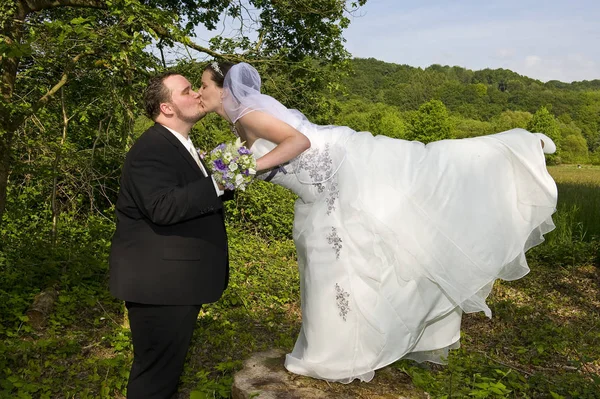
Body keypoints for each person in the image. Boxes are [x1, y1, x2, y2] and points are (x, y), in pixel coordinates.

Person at [200, 61, 558, 383]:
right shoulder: (242, 121)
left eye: (203, 86)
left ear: (223, 89)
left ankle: (513, 152)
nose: (200, 92)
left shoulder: (248, 114)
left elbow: (298, 141)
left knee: (427, 171)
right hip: (320, 193)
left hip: (343, 171)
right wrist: (231, 168)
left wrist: (249, 166)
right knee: (341, 264)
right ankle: (342, 349)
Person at [109, 71, 232, 398]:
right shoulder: (151, 148)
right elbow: (163, 207)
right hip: (159, 287)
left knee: (165, 376)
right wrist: (227, 177)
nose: (196, 94)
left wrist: (237, 166)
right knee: (155, 379)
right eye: (187, 91)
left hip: (173, 284)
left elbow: (193, 191)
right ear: (166, 108)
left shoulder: (181, 144)